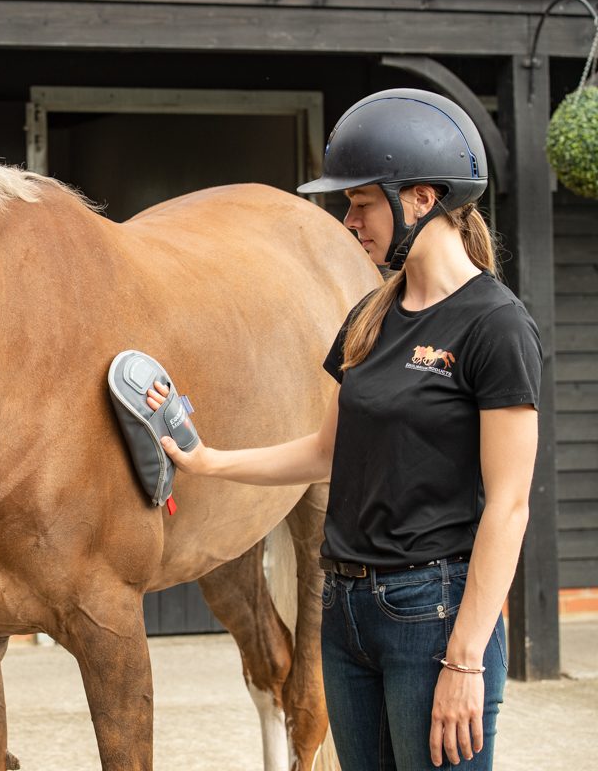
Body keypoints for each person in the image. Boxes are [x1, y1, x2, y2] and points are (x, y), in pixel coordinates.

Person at [149, 88, 542, 770]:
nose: (349, 220)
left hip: (433, 612)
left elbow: (508, 506)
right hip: (347, 611)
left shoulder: (495, 325)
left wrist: (467, 661)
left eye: (361, 203)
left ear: (421, 198)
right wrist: (208, 460)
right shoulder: (370, 316)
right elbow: (327, 452)